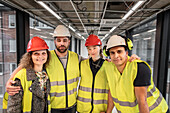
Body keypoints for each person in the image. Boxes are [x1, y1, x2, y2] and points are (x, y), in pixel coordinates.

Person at [5, 25, 140, 113]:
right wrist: (10, 80)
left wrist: (127, 58)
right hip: (53, 107)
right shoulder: (47, 57)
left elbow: (93, 62)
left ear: (69, 41)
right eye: (58, 40)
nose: (62, 43)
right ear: (55, 41)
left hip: (72, 107)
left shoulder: (77, 59)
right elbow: (26, 64)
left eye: (65, 40)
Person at [104, 35, 169, 113]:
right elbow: (112, 93)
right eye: (112, 53)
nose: (116, 56)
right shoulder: (110, 68)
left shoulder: (139, 68)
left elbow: (142, 102)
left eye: (119, 51)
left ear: (126, 53)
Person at [7, 36, 51, 113]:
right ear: (30, 56)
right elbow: (13, 106)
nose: (40, 56)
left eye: (43, 53)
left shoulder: (45, 75)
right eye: (36, 54)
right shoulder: (21, 76)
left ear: (47, 55)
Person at [77, 34, 109, 112]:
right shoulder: (82, 64)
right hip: (83, 108)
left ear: (100, 47)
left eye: (94, 48)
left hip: (100, 109)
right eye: (89, 49)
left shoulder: (108, 66)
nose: (92, 51)